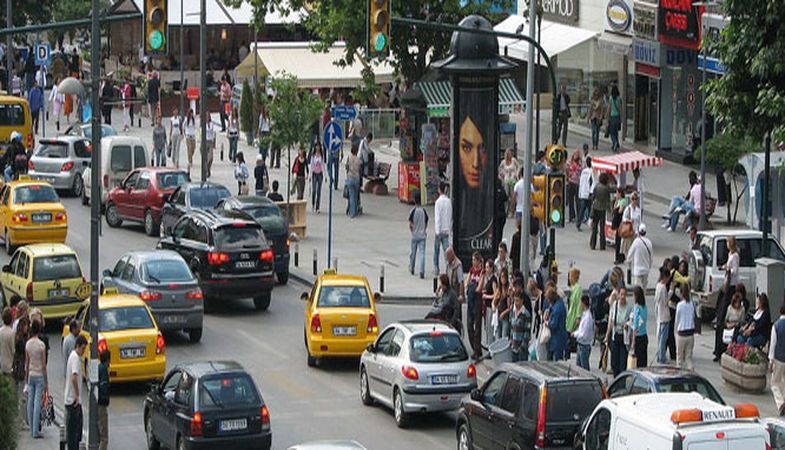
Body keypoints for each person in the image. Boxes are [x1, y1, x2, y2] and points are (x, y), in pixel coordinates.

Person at [714, 236, 740, 361]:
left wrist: (728, 268)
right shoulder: (730, 254)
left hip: (731, 285)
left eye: (728, 243)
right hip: (727, 284)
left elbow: (735, 270)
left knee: (724, 311)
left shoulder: (735, 256)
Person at [25, 319, 47, 439]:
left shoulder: (28, 344)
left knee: (30, 401)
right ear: (39, 330)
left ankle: (30, 428)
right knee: (37, 402)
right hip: (39, 375)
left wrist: (26, 378)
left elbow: (27, 363)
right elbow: (43, 365)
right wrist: (46, 381)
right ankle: (35, 431)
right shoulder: (41, 345)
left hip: (31, 374)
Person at [66, 335, 87, 450]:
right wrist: (77, 395)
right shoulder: (75, 358)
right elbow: (74, 378)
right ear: (77, 346)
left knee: (74, 432)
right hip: (73, 401)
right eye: (83, 348)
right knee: (74, 434)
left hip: (71, 400)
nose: (83, 351)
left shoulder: (74, 356)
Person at [606, 287, 633, 376]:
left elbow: (632, 321)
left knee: (622, 363)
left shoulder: (629, 308)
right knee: (614, 362)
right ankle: (615, 377)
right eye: (621, 294)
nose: (622, 297)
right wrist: (607, 335)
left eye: (624, 295)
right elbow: (611, 321)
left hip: (624, 338)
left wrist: (627, 324)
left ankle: (621, 378)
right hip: (615, 336)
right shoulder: (615, 305)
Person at [465, 252, 484, 359]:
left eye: (474, 260)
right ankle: (474, 347)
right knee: (469, 325)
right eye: (472, 260)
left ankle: (477, 350)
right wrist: (470, 285)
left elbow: (479, 288)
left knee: (477, 327)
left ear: (478, 261)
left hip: (477, 300)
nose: (472, 262)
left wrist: (473, 286)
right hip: (470, 299)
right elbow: (467, 283)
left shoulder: (482, 272)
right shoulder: (471, 270)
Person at [675, 283, 697, 370]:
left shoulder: (679, 305)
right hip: (690, 333)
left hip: (681, 333)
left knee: (679, 358)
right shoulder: (692, 304)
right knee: (688, 357)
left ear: (681, 293)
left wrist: (676, 330)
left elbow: (677, 320)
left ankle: (679, 373)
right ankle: (691, 371)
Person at [627, 224, 653, 289]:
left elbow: (629, 255)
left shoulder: (636, 242)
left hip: (637, 270)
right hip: (646, 270)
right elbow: (651, 257)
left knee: (638, 290)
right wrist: (649, 266)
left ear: (638, 232)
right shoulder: (649, 242)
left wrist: (629, 264)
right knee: (644, 289)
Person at [408, 196, 428, 279]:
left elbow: (410, 223)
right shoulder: (424, 211)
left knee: (413, 253)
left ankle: (412, 268)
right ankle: (422, 271)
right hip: (422, 235)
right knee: (422, 253)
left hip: (415, 235)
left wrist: (412, 230)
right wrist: (424, 230)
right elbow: (426, 222)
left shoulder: (413, 211)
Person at [654, 267, 671, 364]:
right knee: (663, 339)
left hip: (659, 315)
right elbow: (665, 301)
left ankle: (659, 355)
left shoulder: (657, 286)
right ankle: (662, 357)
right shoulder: (663, 287)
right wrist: (671, 292)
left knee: (659, 337)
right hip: (664, 315)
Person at [545, 286, 568, 361]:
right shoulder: (559, 304)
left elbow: (553, 324)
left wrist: (547, 323)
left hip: (556, 339)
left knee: (556, 360)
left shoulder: (557, 309)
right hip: (560, 337)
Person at [433, 182, 452, 273]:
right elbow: (450, 215)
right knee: (446, 250)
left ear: (439, 190)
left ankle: (436, 267)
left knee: (436, 250)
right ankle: (448, 266)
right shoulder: (448, 201)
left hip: (439, 230)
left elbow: (437, 217)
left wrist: (437, 231)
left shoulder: (438, 202)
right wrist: (449, 228)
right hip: (446, 229)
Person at [590, 172, 612, 251]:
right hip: (602, 208)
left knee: (594, 227)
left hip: (595, 207)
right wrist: (609, 209)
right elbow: (608, 199)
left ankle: (593, 244)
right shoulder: (606, 188)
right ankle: (602, 245)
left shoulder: (597, 186)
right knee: (602, 228)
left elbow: (593, 196)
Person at [573, 295, 594, 370]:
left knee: (584, 369)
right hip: (580, 345)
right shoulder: (584, 315)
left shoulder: (588, 317)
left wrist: (575, 334)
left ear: (583, 303)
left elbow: (584, 334)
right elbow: (581, 329)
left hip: (584, 346)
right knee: (578, 368)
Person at [510, 292, 532, 362]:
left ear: (522, 301)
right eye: (514, 300)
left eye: (517, 300)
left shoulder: (526, 314)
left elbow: (527, 333)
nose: (516, 303)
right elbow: (512, 328)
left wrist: (522, 347)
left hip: (521, 349)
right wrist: (511, 341)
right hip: (514, 347)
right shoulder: (513, 312)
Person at [498, 149, 520, 218]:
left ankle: (511, 211)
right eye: (508, 154)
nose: (510, 155)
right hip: (506, 180)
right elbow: (500, 169)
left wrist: (516, 173)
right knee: (506, 196)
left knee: (512, 196)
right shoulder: (503, 162)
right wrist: (502, 174)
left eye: (511, 154)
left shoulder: (514, 160)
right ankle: (506, 210)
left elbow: (518, 166)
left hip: (513, 180)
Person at [630, 286, 648, 368]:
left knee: (637, 362)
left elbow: (635, 324)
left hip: (638, 336)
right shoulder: (644, 307)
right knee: (643, 360)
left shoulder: (636, 307)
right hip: (644, 335)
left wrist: (633, 341)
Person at [481, 260, 498, 346]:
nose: (486, 269)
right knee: (487, 326)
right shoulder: (488, 279)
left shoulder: (493, 280)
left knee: (490, 327)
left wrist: (486, 296)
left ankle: (490, 344)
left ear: (491, 268)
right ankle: (488, 343)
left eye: (488, 267)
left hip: (491, 306)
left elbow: (495, 294)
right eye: (486, 267)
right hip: (487, 306)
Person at [621, 192, 642, 257]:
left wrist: (639, 231)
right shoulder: (628, 209)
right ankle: (627, 258)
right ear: (630, 200)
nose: (634, 201)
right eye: (633, 199)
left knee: (635, 248)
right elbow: (623, 218)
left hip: (635, 231)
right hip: (629, 231)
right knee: (628, 247)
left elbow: (640, 221)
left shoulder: (638, 210)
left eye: (635, 199)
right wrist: (629, 220)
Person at [97, 349, 110, 450]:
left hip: (98, 402)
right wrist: (106, 399)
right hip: (101, 403)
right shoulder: (104, 369)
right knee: (104, 436)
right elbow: (104, 386)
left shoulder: (98, 367)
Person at [612, 188, 629, 264]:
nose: (616, 195)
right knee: (619, 241)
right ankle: (621, 257)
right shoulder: (619, 201)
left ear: (620, 194)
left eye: (617, 193)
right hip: (618, 223)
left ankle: (618, 257)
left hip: (620, 224)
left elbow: (620, 211)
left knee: (618, 241)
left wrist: (616, 206)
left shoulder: (623, 201)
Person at [344, 144, 362, 218]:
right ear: (356, 151)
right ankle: (355, 210)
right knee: (355, 195)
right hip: (356, 178)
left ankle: (352, 212)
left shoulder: (349, 158)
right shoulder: (358, 159)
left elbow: (346, 167)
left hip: (350, 177)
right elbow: (360, 168)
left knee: (351, 196)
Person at [495, 268, 512, 339]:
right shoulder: (499, 289)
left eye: (504, 277)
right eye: (502, 277)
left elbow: (510, 306)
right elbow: (494, 301)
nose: (503, 279)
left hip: (505, 317)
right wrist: (493, 307)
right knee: (498, 337)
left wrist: (504, 313)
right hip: (498, 315)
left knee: (504, 337)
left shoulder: (508, 290)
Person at [566, 267, 583, 334]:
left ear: (573, 277)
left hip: (574, 317)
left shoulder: (578, 289)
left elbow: (579, 303)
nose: (569, 278)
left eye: (570, 276)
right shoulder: (573, 288)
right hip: (571, 315)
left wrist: (578, 317)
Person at [577, 157, 593, 231]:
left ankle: (578, 224)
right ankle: (591, 224)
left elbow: (581, 182)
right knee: (590, 211)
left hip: (583, 193)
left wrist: (580, 193)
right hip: (589, 193)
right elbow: (591, 183)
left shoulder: (584, 171)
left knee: (582, 210)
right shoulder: (592, 171)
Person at [309, 142, 326, 213]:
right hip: (314, 174)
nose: (317, 148)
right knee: (314, 190)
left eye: (318, 146)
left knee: (319, 191)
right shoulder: (313, 155)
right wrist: (310, 175)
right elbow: (311, 165)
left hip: (320, 174)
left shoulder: (321, 155)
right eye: (316, 146)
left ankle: (317, 207)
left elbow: (323, 165)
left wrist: (325, 175)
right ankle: (313, 204)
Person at [567, 151, 582, 223]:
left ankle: (578, 216)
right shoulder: (571, 163)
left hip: (576, 183)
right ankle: (572, 216)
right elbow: (567, 170)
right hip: (572, 182)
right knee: (571, 201)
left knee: (577, 201)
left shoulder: (579, 164)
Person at [607, 84, 622, 152]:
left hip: (612, 117)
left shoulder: (610, 98)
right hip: (617, 117)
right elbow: (620, 109)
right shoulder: (619, 99)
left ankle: (614, 142)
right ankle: (616, 143)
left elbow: (609, 108)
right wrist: (621, 118)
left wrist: (607, 116)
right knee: (616, 131)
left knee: (612, 132)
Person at [0, 307, 14, 377]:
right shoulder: (12, 333)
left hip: (1, 362)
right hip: (9, 364)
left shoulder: (0, 331)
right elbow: (13, 350)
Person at [184, 109, 197, 175]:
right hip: (188, 136)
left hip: (193, 136)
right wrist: (184, 133)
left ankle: (190, 156)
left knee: (193, 148)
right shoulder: (186, 120)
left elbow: (195, 127)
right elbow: (183, 127)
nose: (192, 114)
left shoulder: (193, 120)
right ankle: (190, 160)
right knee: (189, 148)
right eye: (191, 113)